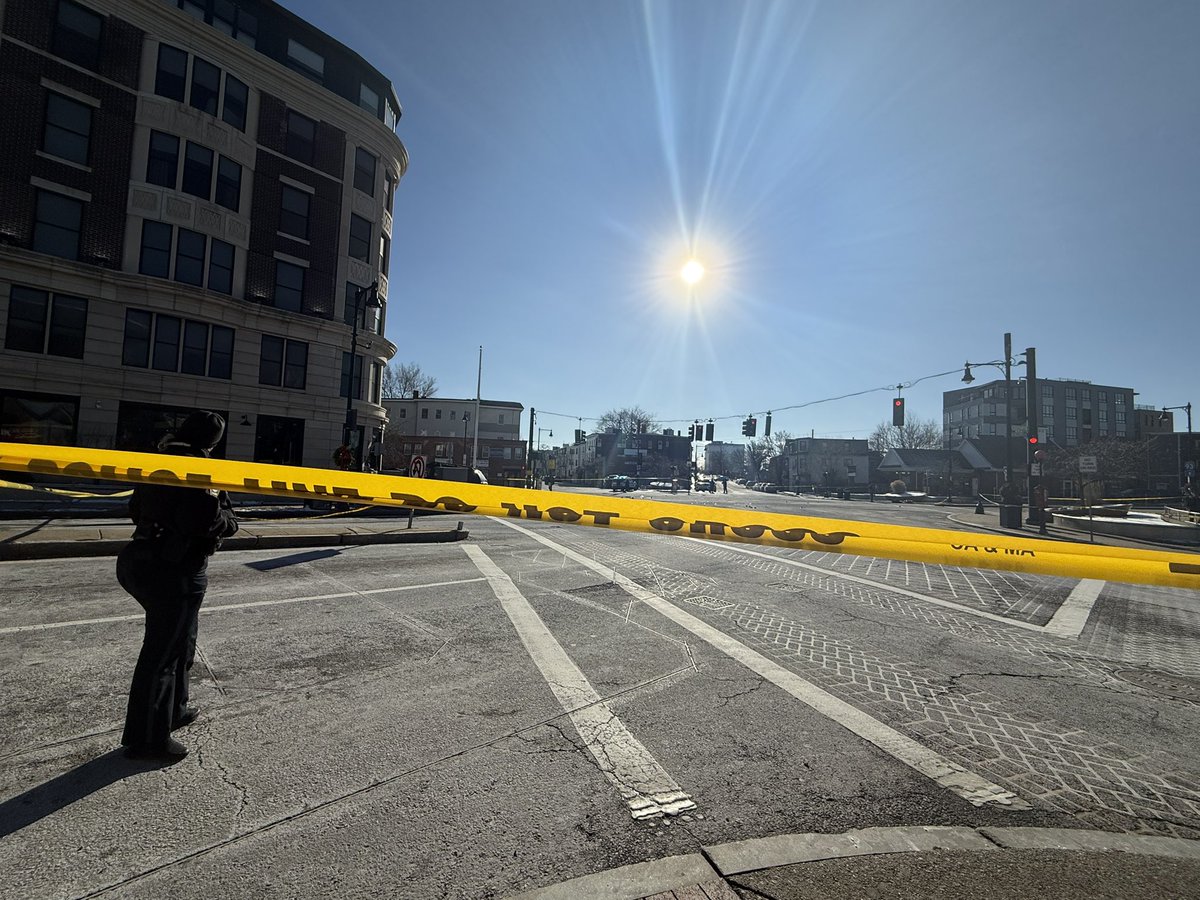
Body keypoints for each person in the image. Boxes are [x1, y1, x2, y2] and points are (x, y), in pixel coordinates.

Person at [117, 411, 239, 762]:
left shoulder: (159, 459)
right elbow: (204, 520)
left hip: (139, 557)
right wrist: (230, 522)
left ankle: (176, 709)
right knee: (163, 654)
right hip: (174, 570)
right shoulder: (202, 469)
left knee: (183, 642)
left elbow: (135, 508)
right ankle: (146, 740)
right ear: (212, 442)